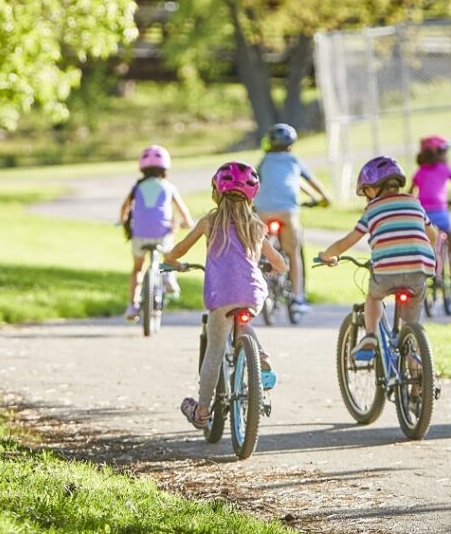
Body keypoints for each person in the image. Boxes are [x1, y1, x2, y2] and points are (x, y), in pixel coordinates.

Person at [166, 161, 288, 429]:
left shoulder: (208, 222)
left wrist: (171, 261)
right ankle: (261, 356)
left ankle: (202, 411)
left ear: (216, 192)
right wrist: (270, 268)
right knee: (242, 322)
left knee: (215, 349)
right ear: (251, 196)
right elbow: (280, 264)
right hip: (253, 293)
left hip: (221, 295)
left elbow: (179, 250)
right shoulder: (256, 226)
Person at [318, 156, 438, 354]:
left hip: (386, 272)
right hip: (419, 269)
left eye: (366, 190)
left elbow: (347, 242)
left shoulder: (372, 210)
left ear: (374, 188)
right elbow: (432, 236)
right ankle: (415, 361)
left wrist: (326, 255)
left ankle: (371, 335)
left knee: (373, 297)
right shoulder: (414, 203)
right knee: (411, 323)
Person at [254, 123, 331, 313]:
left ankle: (255, 290)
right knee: (293, 252)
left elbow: (257, 182)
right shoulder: (294, 161)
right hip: (287, 212)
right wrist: (324, 198)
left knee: (259, 249)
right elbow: (308, 181)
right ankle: (297, 298)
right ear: (291, 144)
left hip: (263, 211)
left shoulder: (264, 161)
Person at [119, 144, 193, 320]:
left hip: (139, 235)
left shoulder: (137, 187)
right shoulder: (168, 186)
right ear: (165, 167)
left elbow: (124, 209)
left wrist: (122, 221)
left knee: (138, 269)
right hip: (162, 235)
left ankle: (132, 306)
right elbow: (183, 212)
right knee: (169, 251)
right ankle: (168, 275)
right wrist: (186, 223)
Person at [409, 135, 451, 285]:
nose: (446, 156)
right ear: (437, 154)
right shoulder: (445, 169)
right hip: (441, 212)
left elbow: (410, 193)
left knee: (427, 241)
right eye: (444, 152)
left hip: (423, 214)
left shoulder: (419, 172)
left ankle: (430, 272)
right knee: (450, 236)